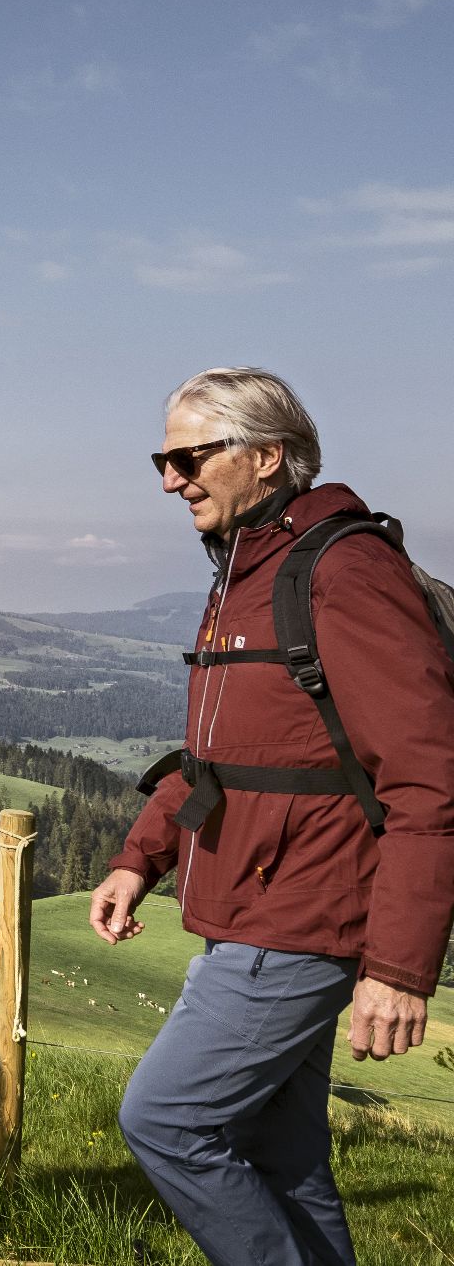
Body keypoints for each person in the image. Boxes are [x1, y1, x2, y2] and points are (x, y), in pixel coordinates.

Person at [89, 367, 454, 1266]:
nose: (170, 480)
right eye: (161, 460)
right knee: (281, 1157)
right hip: (258, 907)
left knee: (166, 1119)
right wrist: (141, 857)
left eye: (188, 458)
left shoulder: (345, 571)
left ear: (267, 457)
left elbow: (426, 779)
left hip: (301, 917)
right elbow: (219, 756)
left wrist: (399, 969)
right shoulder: (246, 572)